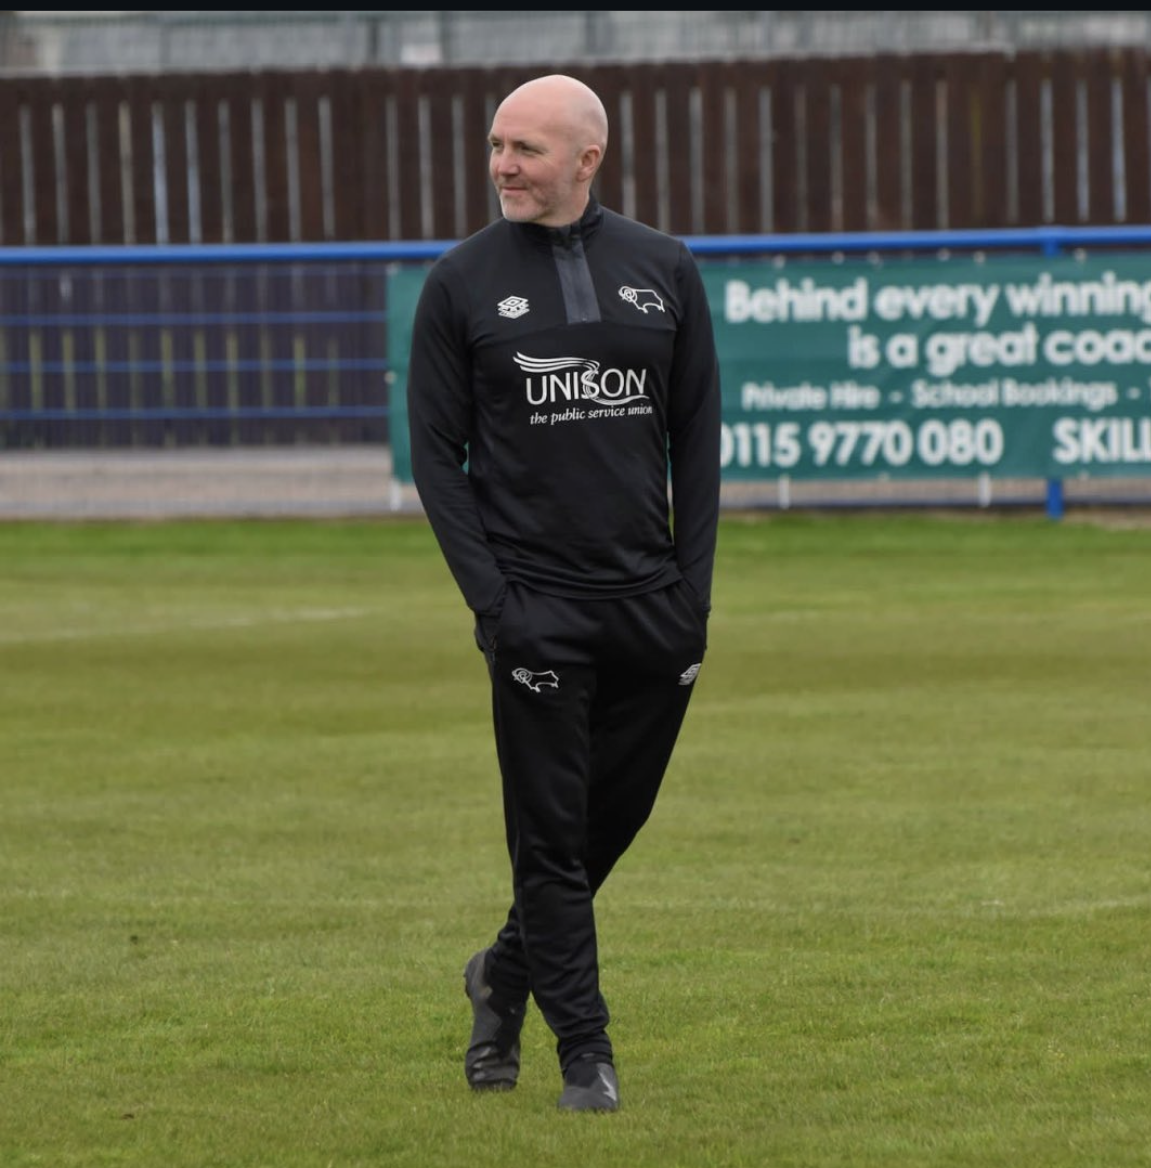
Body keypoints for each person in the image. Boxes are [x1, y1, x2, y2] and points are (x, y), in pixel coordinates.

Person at [406, 73, 721, 1113]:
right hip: (535, 609)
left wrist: (692, 600)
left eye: (525, 149)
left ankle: (500, 975)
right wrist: (495, 606)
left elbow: (697, 444)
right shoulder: (458, 283)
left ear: (585, 159)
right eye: (496, 145)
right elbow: (436, 459)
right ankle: (584, 1052)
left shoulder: (664, 269)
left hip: (651, 612)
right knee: (547, 838)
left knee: (600, 833)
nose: (501, 164)